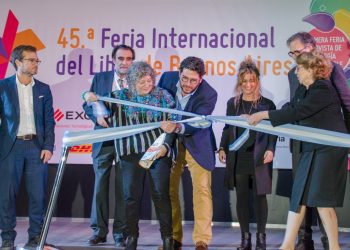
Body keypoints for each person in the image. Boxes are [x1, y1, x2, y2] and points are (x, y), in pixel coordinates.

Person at [247, 51, 348, 250]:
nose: (296, 72)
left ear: (312, 69)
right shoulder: (303, 89)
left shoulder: (323, 89)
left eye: (300, 68)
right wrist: (259, 119)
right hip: (310, 147)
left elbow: (297, 112)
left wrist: (263, 114)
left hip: (328, 150)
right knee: (298, 196)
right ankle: (287, 245)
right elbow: (290, 109)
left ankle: (334, 247)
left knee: (322, 200)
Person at [84, 61, 176, 250]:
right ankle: (131, 237)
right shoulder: (120, 97)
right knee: (131, 197)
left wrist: (166, 142)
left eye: (149, 80)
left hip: (156, 151)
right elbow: (92, 101)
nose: (147, 84)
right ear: (133, 82)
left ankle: (168, 239)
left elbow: (173, 124)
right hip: (130, 152)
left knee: (161, 195)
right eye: (142, 81)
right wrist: (88, 96)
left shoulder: (163, 96)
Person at [286, 31, 350, 250]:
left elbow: (347, 104)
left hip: (325, 144)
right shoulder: (292, 73)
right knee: (300, 194)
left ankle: (327, 242)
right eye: (291, 53)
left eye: (298, 51)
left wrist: (346, 139)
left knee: (322, 196)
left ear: (311, 47)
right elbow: (294, 107)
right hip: (301, 142)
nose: (294, 56)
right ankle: (302, 241)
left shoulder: (331, 69)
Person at [159, 56, 218, 250]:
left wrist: (176, 126)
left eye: (193, 80)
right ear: (179, 72)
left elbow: (196, 124)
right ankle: (174, 238)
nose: (188, 84)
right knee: (168, 189)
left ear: (201, 79)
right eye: (184, 78)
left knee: (201, 191)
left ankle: (202, 240)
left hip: (196, 141)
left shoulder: (209, 93)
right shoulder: (166, 79)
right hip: (170, 142)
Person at [218, 57, 277, 250]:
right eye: (245, 81)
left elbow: (273, 132)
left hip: (260, 157)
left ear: (258, 81)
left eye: (252, 81)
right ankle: (245, 238)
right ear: (240, 82)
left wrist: (270, 149)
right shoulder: (232, 104)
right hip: (239, 157)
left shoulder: (268, 104)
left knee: (260, 198)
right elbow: (227, 128)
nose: (248, 85)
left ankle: (261, 238)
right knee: (242, 198)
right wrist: (221, 147)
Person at [0, 45, 55, 249]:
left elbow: (49, 121)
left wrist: (48, 146)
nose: (36, 63)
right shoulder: (3, 87)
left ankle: (36, 237)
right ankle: (7, 238)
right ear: (18, 62)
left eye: (37, 60)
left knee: (37, 195)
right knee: (6, 195)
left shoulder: (43, 88)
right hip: (9, 148)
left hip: (36, 147)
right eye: (32, 60)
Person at [83, 44, 135, 247]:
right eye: (121, 58)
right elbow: (87, 101)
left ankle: (120, 233)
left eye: (129, 59)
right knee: (100, 186)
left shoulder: (137, 80)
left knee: (124, 187)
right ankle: (99, 231)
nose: (125, 63)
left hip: (127, 140)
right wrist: (96, 115)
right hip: (103, 138)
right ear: (113, 59)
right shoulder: (101, 78)